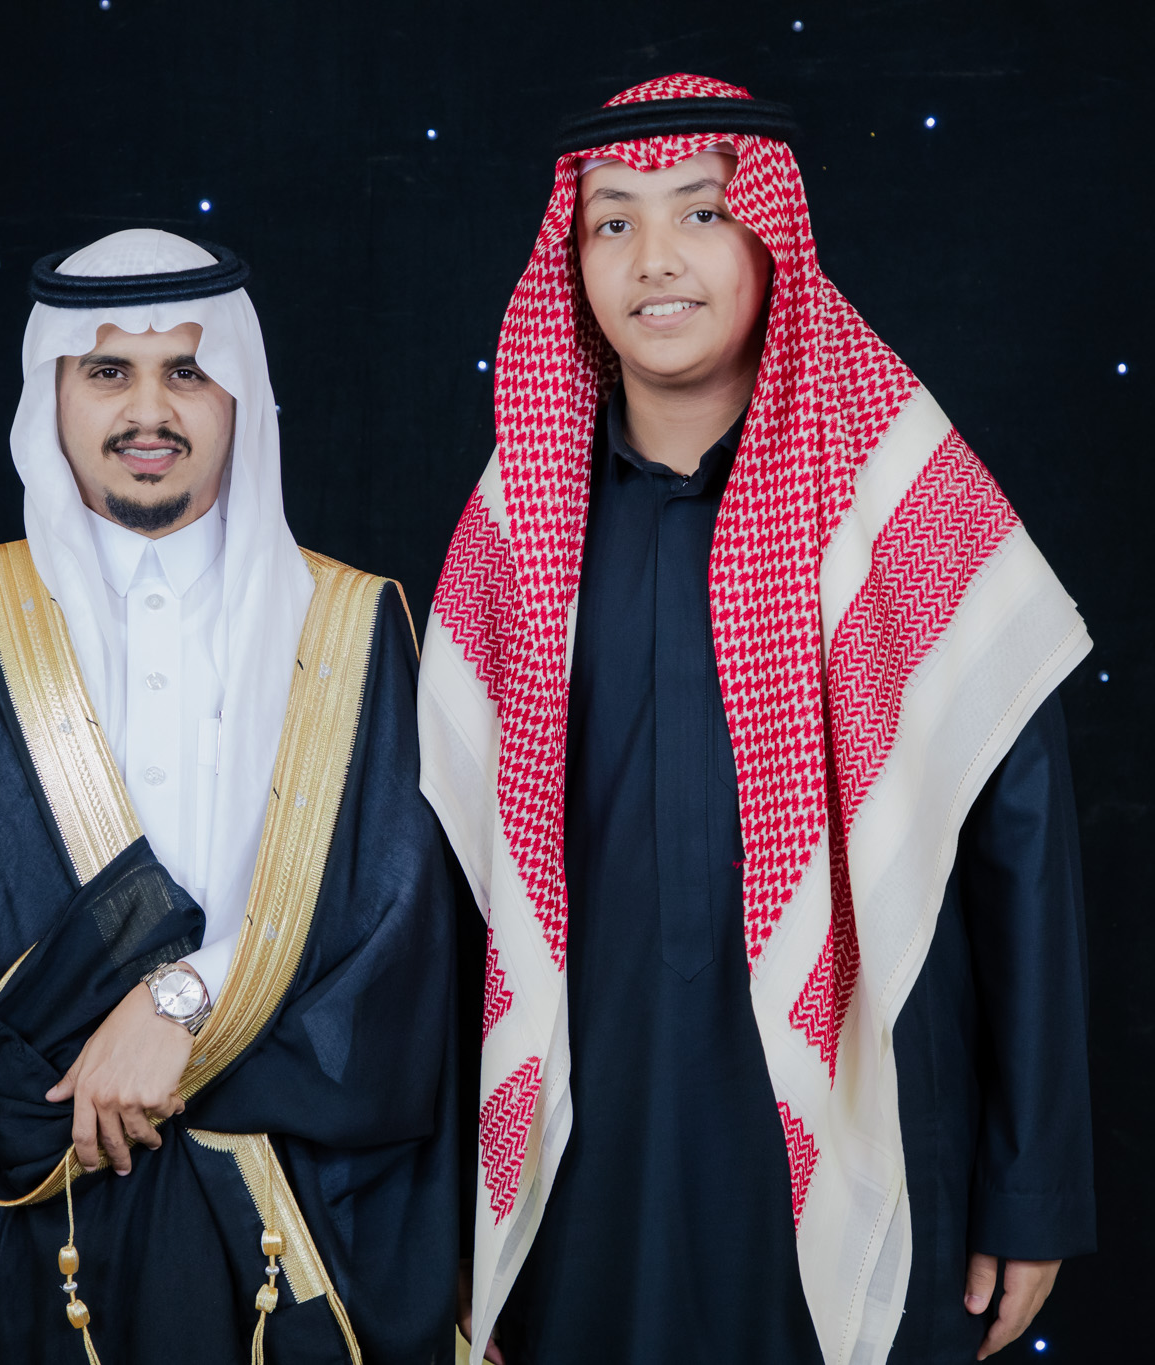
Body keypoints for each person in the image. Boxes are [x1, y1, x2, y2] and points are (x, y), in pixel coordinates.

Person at [418, 76, 1096, 1365]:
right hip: (586, 1154)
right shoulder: (518, 532)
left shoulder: (901, 498)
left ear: (769, 235)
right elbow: (448, 900)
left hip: (871, 1127)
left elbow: (1020, 856)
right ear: (570, 261)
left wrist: (1032, 1186)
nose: (653, 260)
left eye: (701, 212)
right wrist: (447, 1209)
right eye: (611, 222)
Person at [0, 230, 458, 1365]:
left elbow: (399, 933)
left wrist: (181, 1001)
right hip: (19, 1229)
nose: (149, 411)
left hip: (283, 1221)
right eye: (107, 372)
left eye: (187, 370)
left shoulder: (351, 626)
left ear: (239, 393)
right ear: (53, 392)